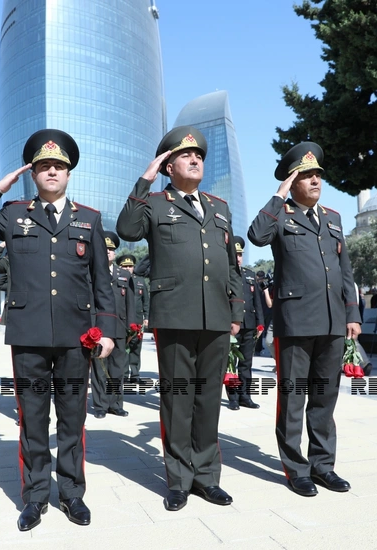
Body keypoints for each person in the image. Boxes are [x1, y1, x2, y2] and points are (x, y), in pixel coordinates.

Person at [0, 129, 116, 532]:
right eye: (44, 166)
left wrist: (108, 331)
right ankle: (36, 496)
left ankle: (73, 493)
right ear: (33, 174)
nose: (52, 172)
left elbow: (102, 282)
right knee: (34, 418)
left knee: (72, 417)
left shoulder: (89, 219)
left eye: (58, 166)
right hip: (28, 336)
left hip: (77, 336)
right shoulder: (13, 214)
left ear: (69, 173)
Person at [117, 126, 244, 512]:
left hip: (217, 317)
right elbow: (126, 229)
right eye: (186, 156)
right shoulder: (155, 203)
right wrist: (145, 178)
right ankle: (178, 480)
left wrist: (236, 310)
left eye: (199, 156)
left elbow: (231, 266)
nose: (195, 160)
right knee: (177, 400)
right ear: (169, 165)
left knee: (208, 401)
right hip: (174, 313)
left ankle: (207, 477)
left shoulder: (219, 207)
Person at [248, 141, 360, 498]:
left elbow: (345, 271)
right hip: (295, 322)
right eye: (306, 175)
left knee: (325, 398)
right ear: (292, 181)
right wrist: (278, 196)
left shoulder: (333, 218)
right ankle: (296, 469)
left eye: (317, 175)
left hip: (332, 322)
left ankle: (323, 466)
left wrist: (352, 315)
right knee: (294, 398)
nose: (315, 181)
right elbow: (256, 235)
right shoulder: (280, 215)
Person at [89, 231, 134, 419]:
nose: (108, 252)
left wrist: (132, 326)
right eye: (104, 249)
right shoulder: (90, 273)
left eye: (111, 249)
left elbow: (130, 303)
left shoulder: (124, 275)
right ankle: (100, 405)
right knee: (99, 369)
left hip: (119, 329)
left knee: (118, 369)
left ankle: (116, 404)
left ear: (115, 253)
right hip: (98, 329)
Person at [227, 236, 264, 410]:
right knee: (231, 363)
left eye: (240, 254)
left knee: (246, 363)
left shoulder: (250, 275)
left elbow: (257, 301)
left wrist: (260, 323)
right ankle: (233, 398)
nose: (238, 258)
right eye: (235, 254)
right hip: (232, 327)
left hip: (249, 325)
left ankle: (245, 395)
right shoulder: (225, 274)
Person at [118, 254, 149, 384]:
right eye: (125, 266)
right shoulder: (118, 279)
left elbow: (146, 301)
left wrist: (146, 317)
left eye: (130, 266)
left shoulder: (140, 281)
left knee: (136, 347)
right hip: (122, 320)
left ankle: (135, 374)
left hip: (137, 321)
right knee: (124, 348)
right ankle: (124, 375)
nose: (128, 268)